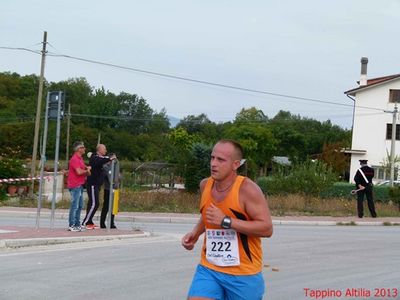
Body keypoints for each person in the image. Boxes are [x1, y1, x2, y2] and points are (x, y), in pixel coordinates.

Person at [181, 139, 273, 300]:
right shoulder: (205, 185)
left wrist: (226, 221)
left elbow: (266, 228)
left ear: (235, 164)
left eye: (221, 160)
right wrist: (195, 233)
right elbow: (208, 214)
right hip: (209, 268)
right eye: (212, 158)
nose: (213, 164)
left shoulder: (248, 189)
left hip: (243, 273)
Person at [82, 144, 116, 229]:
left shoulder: (99, 158)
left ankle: (89, 222)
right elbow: (100, 160)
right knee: (95, 203)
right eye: (104, 149)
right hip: (93, 184)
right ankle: (85, 222)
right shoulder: (94, 157)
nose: (106, 151)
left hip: (97, 185)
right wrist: (110, 158)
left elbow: (102, 161)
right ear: (99, 149)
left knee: (92, 203)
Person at [67, 141, 91, 232]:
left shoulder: (80, 159)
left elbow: (87, 170)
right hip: (74, 185)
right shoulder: (74, 159)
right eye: (83, 147)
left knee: (80, 205)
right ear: (78, 149)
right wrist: (87, 170)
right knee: (75, 205)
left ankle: (77, 224)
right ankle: (71, 224)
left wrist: (87, 170)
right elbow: (79, 172)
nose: (84, 149)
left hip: (80, 185)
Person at [100, 155, 120, 229]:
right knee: (106, 206)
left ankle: (111, 222)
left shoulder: (116, 165)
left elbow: (118, 176)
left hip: (115, 189)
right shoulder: (106, 166)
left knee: (113, 207)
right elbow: (109, 176)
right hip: (108, 189)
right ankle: (102, 223)